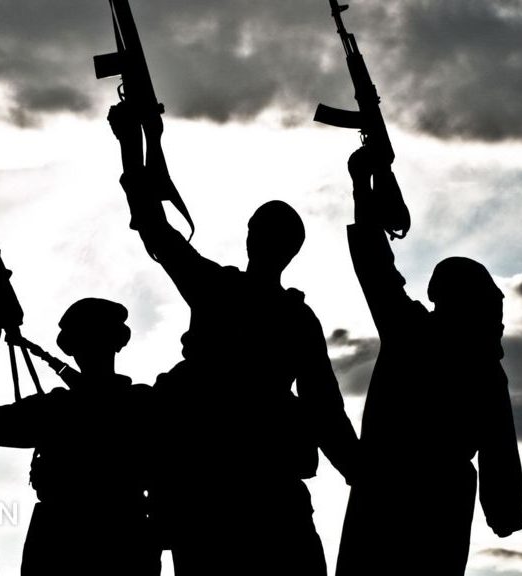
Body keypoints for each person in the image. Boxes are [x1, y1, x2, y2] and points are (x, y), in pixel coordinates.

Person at [107, 103, 358, 575]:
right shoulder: (261, 304)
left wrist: (131, 144)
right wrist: (134, 142)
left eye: (263, 233)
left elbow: (324, 409)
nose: (257, 240)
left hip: (245, 492)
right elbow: (325, 411)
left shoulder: (241, 297)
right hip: (219, 490)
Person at [337, 148, 522, 576]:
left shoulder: (412, 332)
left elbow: (374, 265)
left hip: (394, 492)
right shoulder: (474, 361)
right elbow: (375, 264)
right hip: (419, 496)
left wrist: (362, 186)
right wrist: (504, 511)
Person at [0, 298, 161, 576]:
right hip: (125, 537)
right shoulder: (145, 404)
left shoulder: (56, 410)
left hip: (62, 539)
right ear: (119, 342)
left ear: (70, 347)